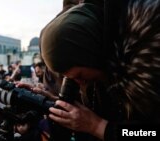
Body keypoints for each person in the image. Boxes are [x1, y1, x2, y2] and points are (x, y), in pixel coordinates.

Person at [41, 0, 160, 141]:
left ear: (91, 55)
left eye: (79, 75)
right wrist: (58, 106)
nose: (79, 83)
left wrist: (98, 127)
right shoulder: (102, 73)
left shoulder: (149, 69)